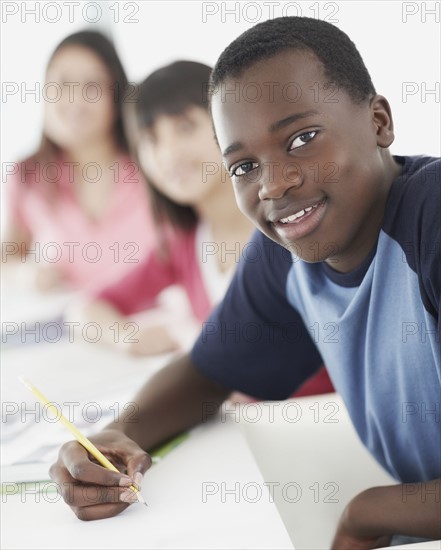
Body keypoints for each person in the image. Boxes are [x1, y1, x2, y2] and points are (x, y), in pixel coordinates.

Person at [50, 16, 440, 547]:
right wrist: (121, 434)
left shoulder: (432, 217)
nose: (275, 184)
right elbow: (209, 374)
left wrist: (368, 514)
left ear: (378, 122)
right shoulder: (289, 250)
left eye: (302, 138)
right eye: (243, 167)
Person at [78, 59, 333, 398]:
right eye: (150, 139)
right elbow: (87, 308)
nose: (168, 155)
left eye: (185, 127)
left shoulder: (294, 223)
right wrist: (127, 339)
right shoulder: (182, 245)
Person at [2, 30, 155, 293]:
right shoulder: (27, 174)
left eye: (92, 87)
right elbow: (6, 259)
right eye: (62, 84)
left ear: (116, 96)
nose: (75, 100)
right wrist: (25, 275)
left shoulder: (152, 161)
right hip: (70, 328)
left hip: (156, 324)